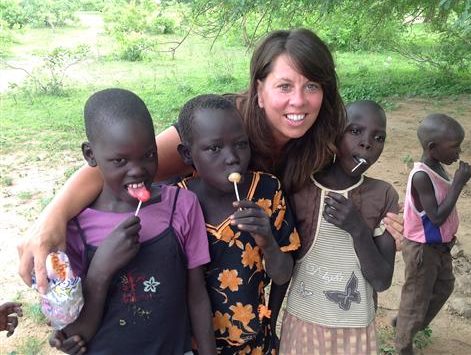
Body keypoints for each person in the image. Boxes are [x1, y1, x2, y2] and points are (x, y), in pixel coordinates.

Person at [18, 28, 404, 295]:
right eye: (284, 86)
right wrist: (51, 218)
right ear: (259, 89)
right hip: (180, 278)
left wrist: (389, 220)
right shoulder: (219, 128)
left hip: (255, 295)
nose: (299, 101)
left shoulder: (319, 140)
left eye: (312, 86)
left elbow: (354, 175)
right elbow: (119, 167)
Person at [49, 89, 216, 354]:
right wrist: (100, 270)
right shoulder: (75, 228)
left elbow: (197, 295)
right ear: (90, 155)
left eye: (149, 155)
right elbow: (76, 335)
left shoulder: (181, 205)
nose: (138, 170)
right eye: (120, 160)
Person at [176, 94, 300, 354]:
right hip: (194, 344)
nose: (232, 158)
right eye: (214, 148)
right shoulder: (178, 202)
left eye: (241, 144)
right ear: (187, 154)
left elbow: (282, 274)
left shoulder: (267, 191)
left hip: (254, 341)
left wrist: (266, 240)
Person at [272, 100, 398, 354]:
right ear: (333, 134)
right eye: (355, 131)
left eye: (379, 137)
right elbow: (287, 261)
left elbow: (382, 280)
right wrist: (270, 322)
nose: (367, 143)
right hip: (303, 324)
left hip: (355, 332)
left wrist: (358, 228)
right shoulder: (300, 187)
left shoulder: (383, 195)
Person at [394, 113, 471, 355]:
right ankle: (403, 344)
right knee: (416, 298)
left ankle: (408, 323)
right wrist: (458, 184)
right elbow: (436, 217)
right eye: (455, 147)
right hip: (422, 249)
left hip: (440, 246)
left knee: (444, 286)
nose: (459, 152)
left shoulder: (437, 165)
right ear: (433, 148)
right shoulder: (420, 176)